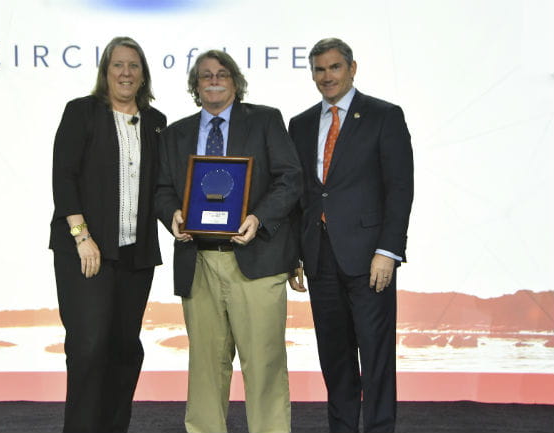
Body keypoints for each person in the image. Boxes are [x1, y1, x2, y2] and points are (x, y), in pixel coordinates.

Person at [154, 50, 302, 433]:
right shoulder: (175, 134)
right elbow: (161, 188)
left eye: (222, 74)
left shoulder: (266, 121)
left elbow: (290, 178)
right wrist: (172, 214)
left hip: (257, 258)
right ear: (195, 86)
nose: (214, 80)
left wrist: (259, 218)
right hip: (198, 261)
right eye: (205, 76)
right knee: (205, 367)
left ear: (235, 82)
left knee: (265, 364)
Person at [288, 38, 414, 433]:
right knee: (336, 360)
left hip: (369, 259)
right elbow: (301, 195)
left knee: (376, 359)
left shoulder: (383, 115)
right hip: (320, 259)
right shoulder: (302, 123)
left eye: (335, 68)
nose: (327, 76)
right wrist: (294, 255)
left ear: (352, 68)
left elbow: (399, 188)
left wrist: (388, 251)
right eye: (319, 70)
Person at [49, 36, 166, 433]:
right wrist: (82, 237)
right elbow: (63, 179)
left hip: (136, 256)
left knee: (124, 350)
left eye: (134, 66)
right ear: (105, 71)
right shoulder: (82, 112)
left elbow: (161, 188)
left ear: (144, 74)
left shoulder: (155, 122)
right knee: (88, 348)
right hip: (87, 252)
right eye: (118, 65)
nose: (126, 73)